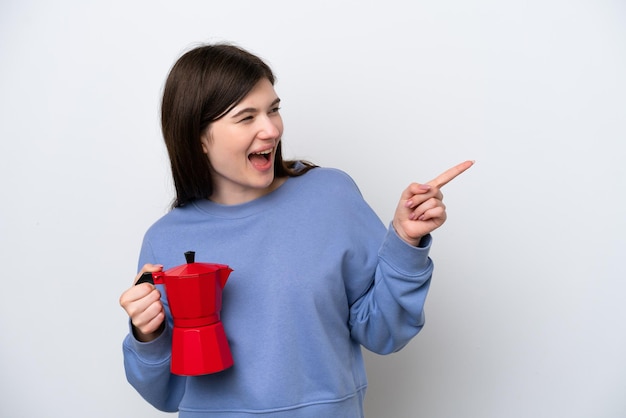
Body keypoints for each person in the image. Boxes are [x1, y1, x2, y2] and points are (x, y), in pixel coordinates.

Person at [119, 42, 473, 418]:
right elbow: (166, 396)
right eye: (246, 117)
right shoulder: (166, 238)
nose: (271, 129)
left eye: (273, 110)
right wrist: (147, 335)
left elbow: (384, 332)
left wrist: (405, 240)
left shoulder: (329, 196)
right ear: (199, 139)